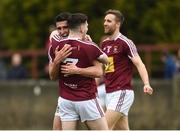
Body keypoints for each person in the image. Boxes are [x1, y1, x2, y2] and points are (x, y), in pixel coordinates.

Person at [48, 13, 108, 130]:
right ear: (81, 27)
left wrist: (77, 70)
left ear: (70, 26)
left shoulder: (55, 44)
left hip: (68, 99)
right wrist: (56, 61)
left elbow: (52, 35)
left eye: (65, 27)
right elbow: (104, 62)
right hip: (82, 98)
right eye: (59, 28)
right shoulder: (88, 46)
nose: (61, 31)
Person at [99, 9, 153, 130]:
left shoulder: (125, 42)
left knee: (102, 128)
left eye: (109, 21)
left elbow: (139, 64)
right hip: (109, 92)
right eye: (104, 20)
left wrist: (146, 83)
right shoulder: (104, 44)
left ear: (117, 24)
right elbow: (101, 67)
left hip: (121, 91)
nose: (105, 23)